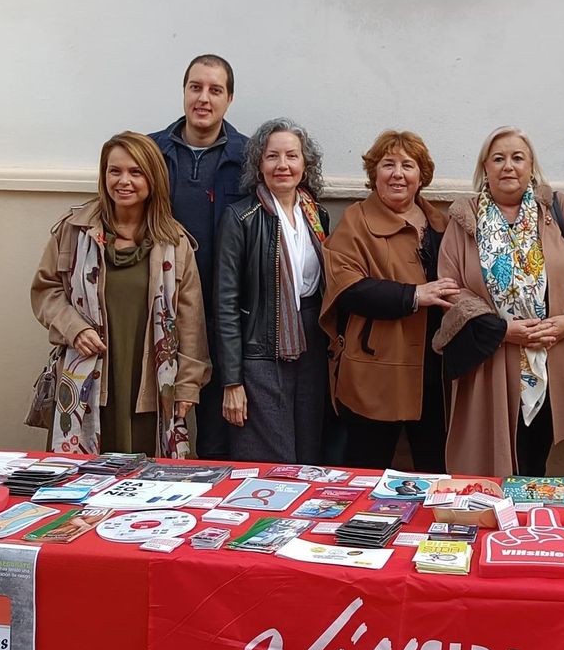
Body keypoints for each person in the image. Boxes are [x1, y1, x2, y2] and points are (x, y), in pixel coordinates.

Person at [433, 126, 564, 477]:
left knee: (534, 461)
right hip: (490, 359)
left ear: (531, 166)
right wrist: (502, 330)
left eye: (518, 158)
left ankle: (526, 530)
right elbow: (451, 288)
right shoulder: (464, 217)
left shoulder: (556, 209)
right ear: (485, 167)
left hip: (551, 353)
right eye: (498, 158)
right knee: (490, 463)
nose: (508, 166)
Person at [31, 131, 210, 456]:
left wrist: (187, 385)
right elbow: (46, 291)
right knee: (82, 484)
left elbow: (191, 322)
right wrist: (75, 328)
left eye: (135, 172)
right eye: (115, 171)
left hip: (152, 390)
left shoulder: (175, 243)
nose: (123, 181)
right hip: (87, 385)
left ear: (152, 177)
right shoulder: (74, 231)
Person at [320, 130, 459, 472]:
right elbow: (347, 287)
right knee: (366, 473)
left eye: (408, 165)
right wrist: (413, 295)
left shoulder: (442, 224)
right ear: (374, 174)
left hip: (435, 372)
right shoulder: (356, 221)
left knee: (435, 475)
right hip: (376, 371)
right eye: (388, 164)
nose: (398, 173)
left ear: (421, 176)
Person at [214, 118, 331, 463]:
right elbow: (225, 304)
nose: (283, 165)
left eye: (292, 156)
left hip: (311, 347)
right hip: (260, 354)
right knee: (269, 463)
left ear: (305, 164)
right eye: (272, 156)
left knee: (308, 458)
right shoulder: (240, 217)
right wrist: (232, 382)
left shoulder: (317, 215)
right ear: (258, 164)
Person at [150, 54, 248, 459]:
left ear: (229, 99)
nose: (203, 98)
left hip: (224, 310)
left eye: (215, 90)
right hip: (160, 307)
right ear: (184, 91)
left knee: (216, 433)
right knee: (156, 416)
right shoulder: (151, 151)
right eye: (196, 87)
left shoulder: (248, 158)